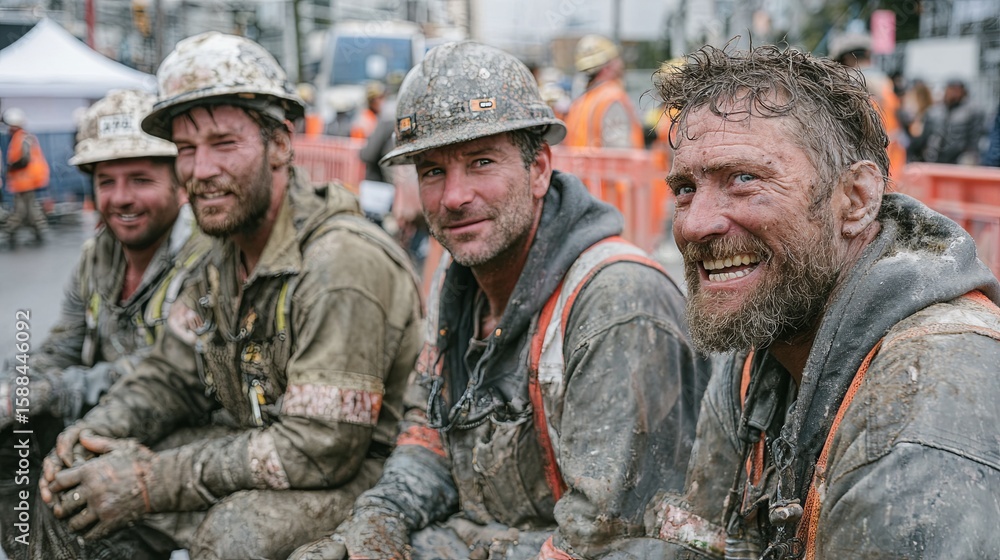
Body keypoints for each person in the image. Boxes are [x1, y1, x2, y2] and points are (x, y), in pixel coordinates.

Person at [290, 40, 711, 560]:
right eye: (432, 171)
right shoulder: (458, 276)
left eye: (481, 162)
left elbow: (611, 541)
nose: (454, 196)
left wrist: (466, 547)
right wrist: (385, 514)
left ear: (538, 171)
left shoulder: (616, 305)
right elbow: (431, 433)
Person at [38, 31, 423, 560]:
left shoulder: (340, 262)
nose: (201, 171)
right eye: (187, 150)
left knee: (237, 536)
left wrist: (149, 481)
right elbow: (170, 373)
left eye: (223, 144)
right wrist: (92, 434)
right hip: (257, 451)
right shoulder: (222, 253)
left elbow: (320, 449)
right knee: (76, 492)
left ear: (281, 144)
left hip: (358, 477)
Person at [620, 44, 1000, 559]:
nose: (693, 223)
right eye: (685, 188)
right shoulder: (762, 341)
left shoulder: (926, 401)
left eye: (744, 179)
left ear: (857, 199)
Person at [0, 88, 212, 559]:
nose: (121, 198)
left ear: (179, 182)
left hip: (181, 432)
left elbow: (171, 374)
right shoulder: (99, 254)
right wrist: (19, 382)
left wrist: (57, 390)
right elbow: (64, 343)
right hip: (103, 422)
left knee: (73, 506)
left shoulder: (206, 259)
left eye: (139, 179)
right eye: (106, 181)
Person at [829, 31, 907, 180]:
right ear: (867, 54)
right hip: (890, 166)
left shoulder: (847, 84)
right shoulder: (885, 82)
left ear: (846, 58)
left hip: (864, 170)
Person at [563, 34, 644, 149]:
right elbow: (620, 152)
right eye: (616, 60)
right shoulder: (612, 97)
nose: (621, 64)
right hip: (607, 167)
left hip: (579, 167)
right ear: (607, 67)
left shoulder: (579, 103)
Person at [2, 107, 50, 248]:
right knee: (30, 208)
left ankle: (11, 231)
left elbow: (24, 159)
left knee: (21, 210)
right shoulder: (23, 137)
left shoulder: (22, 138)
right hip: (25, 180)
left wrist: (11, 167)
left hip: (25, 180)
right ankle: (38, 230)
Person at [922, 79, 983, 165]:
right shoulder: (934, 111)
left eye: (957, 90)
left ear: (963, 92)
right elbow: (926, 135)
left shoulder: (973, 111)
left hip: (959, 159)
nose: (953, 93)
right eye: (951, 89)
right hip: (935, 158)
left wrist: (970, 156)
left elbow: (974, 137)